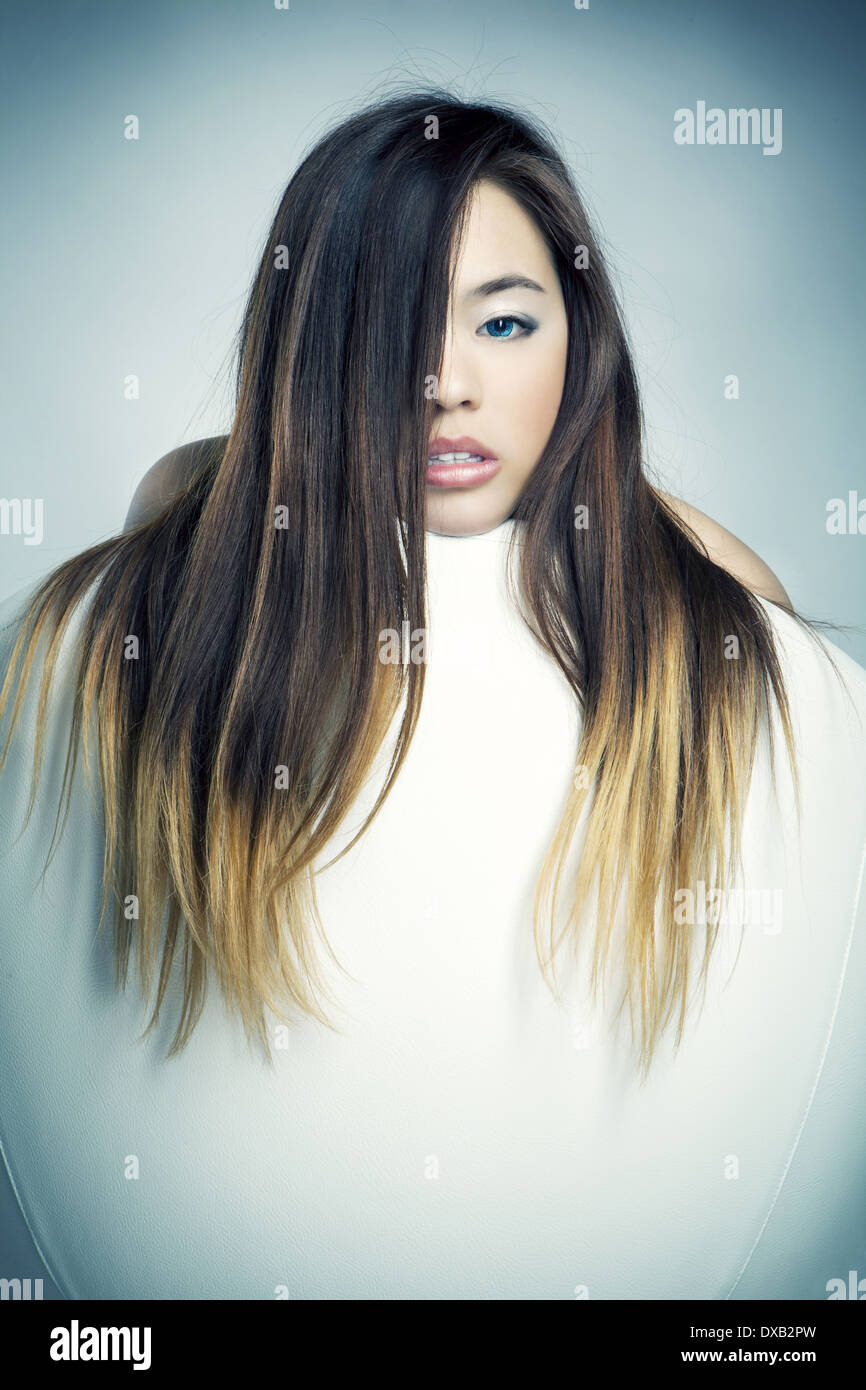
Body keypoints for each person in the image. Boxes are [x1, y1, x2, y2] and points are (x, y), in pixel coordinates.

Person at [0, 90, 864, 1301]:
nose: (443, 384)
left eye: (504, 327)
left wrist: (589, 476)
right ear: (316, 354)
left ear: (582, 345)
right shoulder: (168, 593)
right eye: (386, 330)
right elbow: (186, 488)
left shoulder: (703, 632)